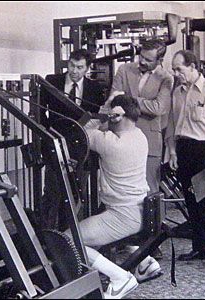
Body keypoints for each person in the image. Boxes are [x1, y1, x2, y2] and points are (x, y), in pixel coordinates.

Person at [65, 93, 162, 299]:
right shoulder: (140, 136)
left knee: (69, 239)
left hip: (123, 215)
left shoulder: (109, 142)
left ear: (117, 115)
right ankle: (144, 263)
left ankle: (120, 278)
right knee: (99, 218)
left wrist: (103, 112)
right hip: (142, 209)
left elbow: (80, 132)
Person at [165, 50, 205, 272]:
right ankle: (201, 248)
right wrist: (172, 152)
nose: (176, 73)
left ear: (193, 67)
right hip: (184, 150)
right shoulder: (177, 92)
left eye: (179, 69)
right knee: (192, 203)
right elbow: (173, 126)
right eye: (174, 70)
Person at [111, 40, 173, 259]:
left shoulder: (166, 78)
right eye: (141, 57)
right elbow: (113, 99)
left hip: (150, 141)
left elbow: (159, 108)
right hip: (122, 138)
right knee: (123, 190)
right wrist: (135, 103)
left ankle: (151, 241)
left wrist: (128, 102)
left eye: (148, 59)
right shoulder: (124, 69)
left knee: (150, 192)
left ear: (159, 60)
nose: (142, 62)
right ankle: (124, 238)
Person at [40, 49, 105, 230]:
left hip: (81, 151)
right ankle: (46, 237)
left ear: (87, 69)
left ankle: (68, 236)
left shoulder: (95, 89)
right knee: (52, 194)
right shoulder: (52, 82)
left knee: (76, 194)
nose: (74, 71)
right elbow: (39, 113)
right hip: (55, 146)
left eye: (79, 67)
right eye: (71, 65)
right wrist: (49, 135)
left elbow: (98, 118)